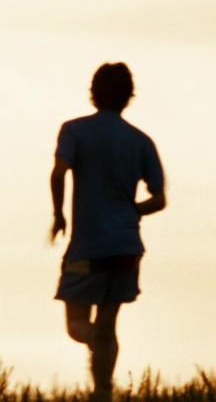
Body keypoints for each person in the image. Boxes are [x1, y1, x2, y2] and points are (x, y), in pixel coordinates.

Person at [50, 62, 166, 400]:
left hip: (87, 246)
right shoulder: (141, 141)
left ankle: (97, 351)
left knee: (77, 326)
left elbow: (58, 174)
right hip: (127, 247)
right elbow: (158, 199)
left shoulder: (73, 131)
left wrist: (59, 215)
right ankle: (103, 392)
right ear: (128, 96)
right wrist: (133, 210)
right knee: (108, 326)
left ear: (93, 92)